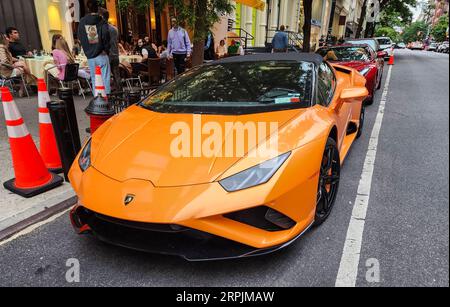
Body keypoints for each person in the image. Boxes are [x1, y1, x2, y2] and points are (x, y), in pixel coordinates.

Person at [77, 0, 111, 94]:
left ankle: (97, 100)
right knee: (105, 78)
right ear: (98, 8)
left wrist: (88, 49)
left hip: (90, 56)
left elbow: (80, 37)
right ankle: (106, 99)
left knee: (94, 78)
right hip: (101, 54)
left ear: (88, 8)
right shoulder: (101, 21)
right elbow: (105, 35)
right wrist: (106, 49)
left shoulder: (82, 21)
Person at [101, 9, 121, 91]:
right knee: (116, 74)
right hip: (115, 54)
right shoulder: (115, 29)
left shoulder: (103, 28)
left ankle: (108, 92)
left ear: (102, 17)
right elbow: (116, 41)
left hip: (108, 54)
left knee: (106, 75)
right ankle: (120, 90)